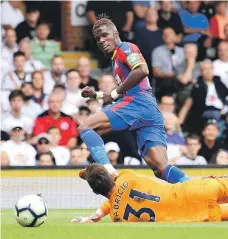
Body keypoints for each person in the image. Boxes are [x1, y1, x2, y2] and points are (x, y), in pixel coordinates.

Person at [78, 15, 188, 184]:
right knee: (160, 167)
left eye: (104, 34)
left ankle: (107, 168)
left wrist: (115, 93)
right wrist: (97, 95)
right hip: (148, 109)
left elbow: (142, 70)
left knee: (86, 126)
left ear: (115, 33)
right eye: (98, 38)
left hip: (137, 103)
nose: (101, 40)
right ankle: (192, 187)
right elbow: (118, 93)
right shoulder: (116, 59)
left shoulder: (126, 48)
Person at [72, 163, 228, 223]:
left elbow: (114, 199)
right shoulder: (127, 176)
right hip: (199, 191)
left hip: (197, 216)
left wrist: (94, 217)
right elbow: (117, 190)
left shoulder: (118, 218)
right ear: (110, 175)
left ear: (95, 191)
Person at [179, 59, 228, 134]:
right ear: (201, 72)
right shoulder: (197, 86)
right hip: (205, 113)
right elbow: (187, 105)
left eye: (210, 68)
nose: (208, 71)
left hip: (221, 114)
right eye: (205, 69)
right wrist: (179, 123)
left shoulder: (219, 83)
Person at [134, 8, 163, 72]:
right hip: (145, 66)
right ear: (145, 17)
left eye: (153, 14)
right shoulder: (140, 32)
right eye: (149, 14)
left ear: (157, 16)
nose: (151, 15)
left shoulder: (163, 33)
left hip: (161, 66)